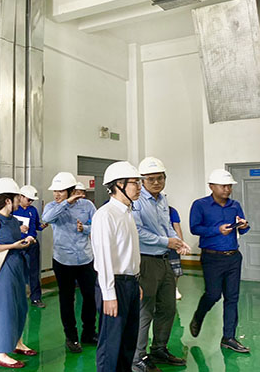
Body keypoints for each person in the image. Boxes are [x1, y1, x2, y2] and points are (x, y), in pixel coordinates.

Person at [132, 157, 189, 372]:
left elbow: (167, 227)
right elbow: (138, 232)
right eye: (151, 179)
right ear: (142, 181)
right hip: (146, 261)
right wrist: (167, 241)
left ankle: (159, 349)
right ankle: (138, 358)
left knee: (168, 307)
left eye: (160, 178)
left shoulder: (163, 200)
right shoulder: (137, 201)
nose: (156, 182)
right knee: (145, 310)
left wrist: (178, 242)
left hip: (165, 260)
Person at [189, 169, 250, 353]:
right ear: (211, 187)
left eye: (229, 186)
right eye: (223, 186)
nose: (227, 189)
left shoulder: (235, 205)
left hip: (233, 257)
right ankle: (199, 315)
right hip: (212, 258)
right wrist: (217, 230)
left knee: (232, 298)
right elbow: (194, 228)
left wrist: (244, 225)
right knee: (213, 294)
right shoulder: (200, 205)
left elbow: (243, 229)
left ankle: (228, 338)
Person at [0, 178, 38, 368]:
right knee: (4, 310)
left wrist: (26, 241)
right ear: (8, 200)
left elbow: (15, 241)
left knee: (20, 307)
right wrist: (13, 246)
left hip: (17, 267)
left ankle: (17, 343)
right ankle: (1, 353)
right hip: (2, 270)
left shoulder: (13, 220)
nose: (20, 201)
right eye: (17, 197)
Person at [91, 161, 143, 372]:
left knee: (128, 342)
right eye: (135, 183)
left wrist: (136, 281)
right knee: (110, 345)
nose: (139, 187)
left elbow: (129, 253)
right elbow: (104, 258)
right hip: (114, 285)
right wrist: (109, 294)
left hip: (130, 283)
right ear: (119, 184)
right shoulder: (105, 215)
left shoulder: (127, 213)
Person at [42, 172, 98, 353]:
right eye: (55, 191)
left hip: (85, 259)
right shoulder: (52, 207)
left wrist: (85, 229)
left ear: (72, 190)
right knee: (67, 299)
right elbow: (46, 219)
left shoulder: (87, 205)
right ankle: (71, 337)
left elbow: (98, 226)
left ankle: (89, 333)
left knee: (90, 297)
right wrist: (66, 202)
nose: (56, 194)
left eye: (60, 191)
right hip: (63, 260)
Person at [14, 184, 48, 308]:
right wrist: (18, 229)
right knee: (17, 272)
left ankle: (36, 298)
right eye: (28, 199)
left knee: (34, 272)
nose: (30, 202)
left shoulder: (32, 210)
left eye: (32, 200)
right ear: (21, 197)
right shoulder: (13, 210)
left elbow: (36, 225)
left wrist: (42, 226)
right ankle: (17, 298)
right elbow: (6, 227)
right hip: (18, 244)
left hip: (32, 244)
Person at [168, 206, 184, 301]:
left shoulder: (171, 211)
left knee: (175, 268)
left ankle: (174, 288)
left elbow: (177, 227)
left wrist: (181, 243)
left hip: (172, 243)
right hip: (158, 244)